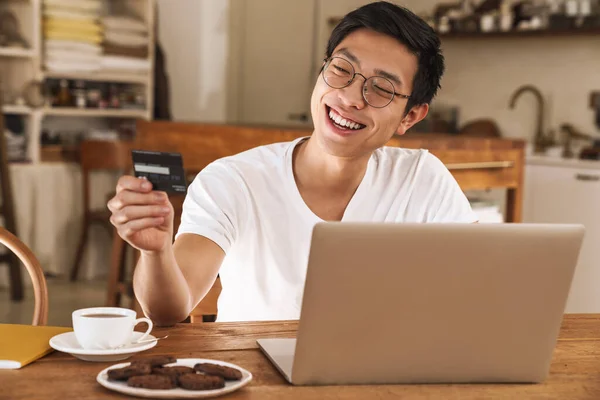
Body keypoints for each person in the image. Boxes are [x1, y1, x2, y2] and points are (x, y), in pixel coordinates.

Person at [107, 1, 478, 326]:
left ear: (410, 116)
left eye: (381, 89)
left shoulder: (421, 180)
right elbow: (168, 312)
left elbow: (479, 292)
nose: (350, 98)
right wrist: (155, 253)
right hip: (252, 378)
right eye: (342, 70)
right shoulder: (233, 180)